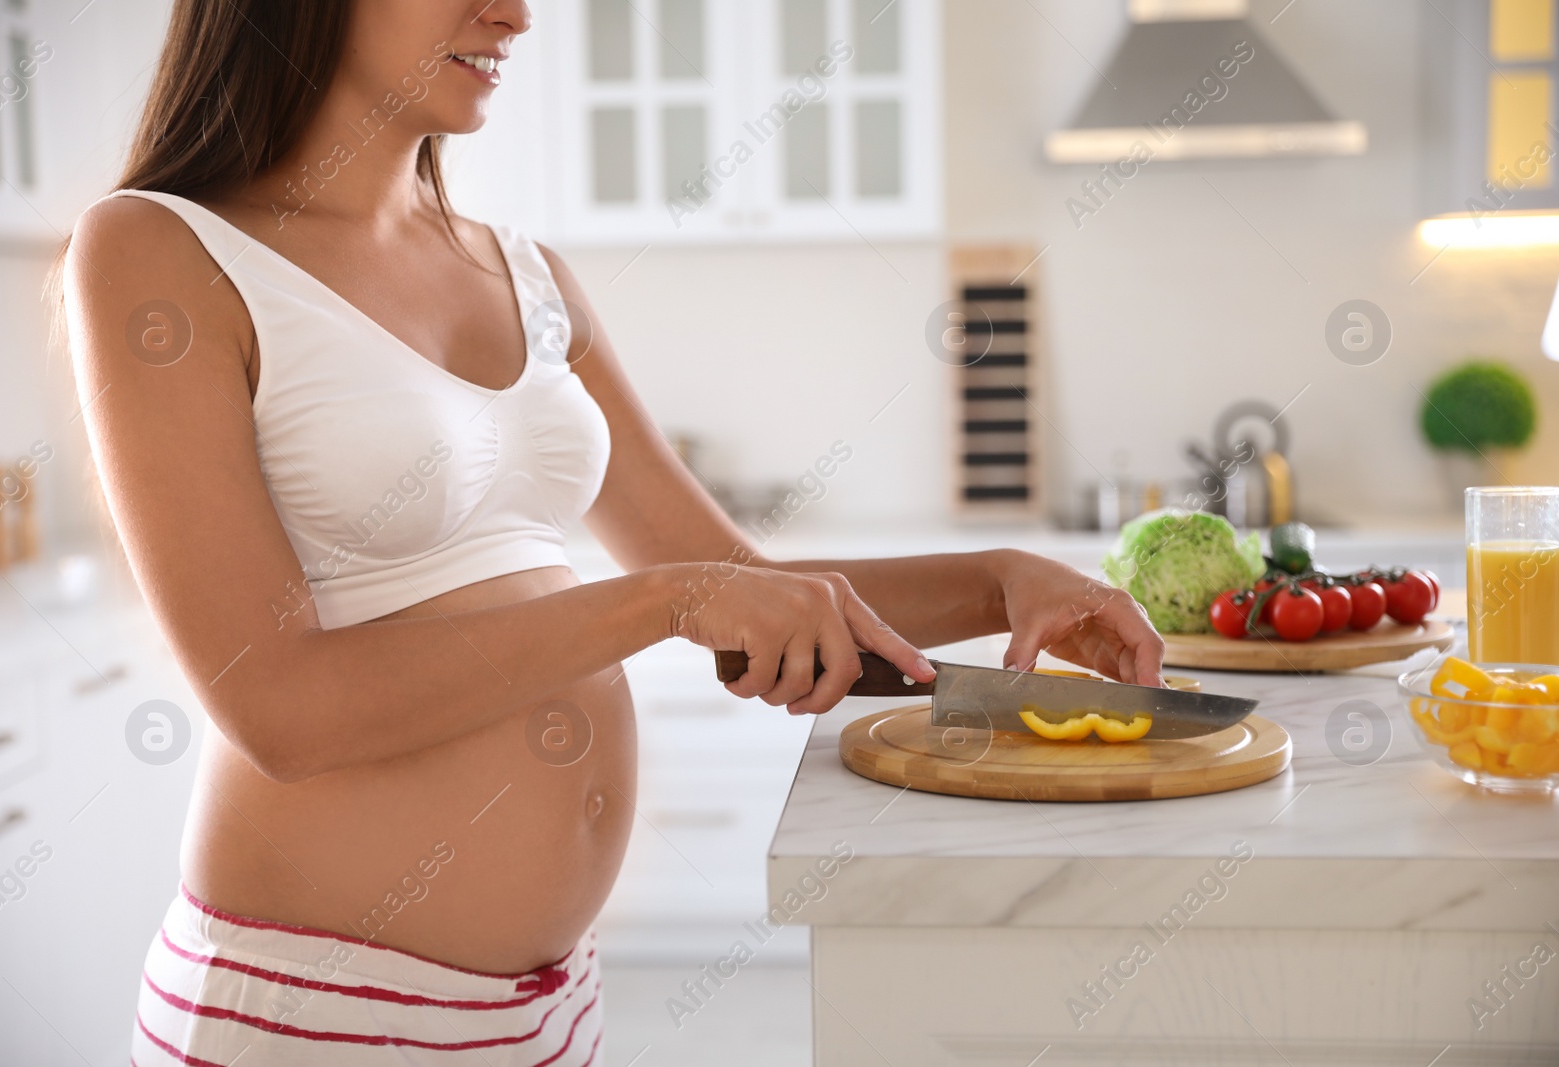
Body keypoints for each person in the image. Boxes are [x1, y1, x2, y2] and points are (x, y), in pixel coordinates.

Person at [58, 1, 1164, 1062]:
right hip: (314, 1012)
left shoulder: (528, 274)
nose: (516, 15)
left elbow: (742, 579)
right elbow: (281, 707)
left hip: (546, 1009)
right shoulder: (157, 252)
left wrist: (1000, 582)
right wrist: (664, 602)